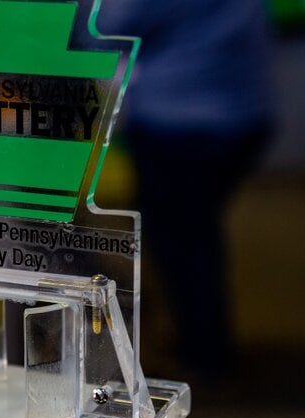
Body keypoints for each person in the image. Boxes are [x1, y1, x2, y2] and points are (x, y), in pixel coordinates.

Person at [96, 0, 276, 381]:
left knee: (181, 241)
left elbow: (106, 24)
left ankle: (203, 354)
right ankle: (201, 344)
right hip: (243, 112)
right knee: (193, 235)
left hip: (180, 121)